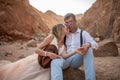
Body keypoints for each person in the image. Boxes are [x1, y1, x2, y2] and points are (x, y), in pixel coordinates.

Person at [0, 24, 80, 80]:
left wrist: (75, 51)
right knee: (21, 75)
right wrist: (48, 54)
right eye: (65, 27)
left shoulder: (63, 44)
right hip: (40, 60)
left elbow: (64, 56)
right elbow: (36, 49)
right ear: (60, 29)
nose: (67, 28)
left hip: (48, 65)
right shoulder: (52, 37)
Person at [51, 13, 98, 80]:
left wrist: (88, 44)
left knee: (88, 49)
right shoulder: (64, 34)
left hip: (77, 59)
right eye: (66, 23)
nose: (69, 25)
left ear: (76, 21)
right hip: (65, 59)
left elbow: (95, 44)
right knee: (54, 62)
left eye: (70, 22)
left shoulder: (83, 33)